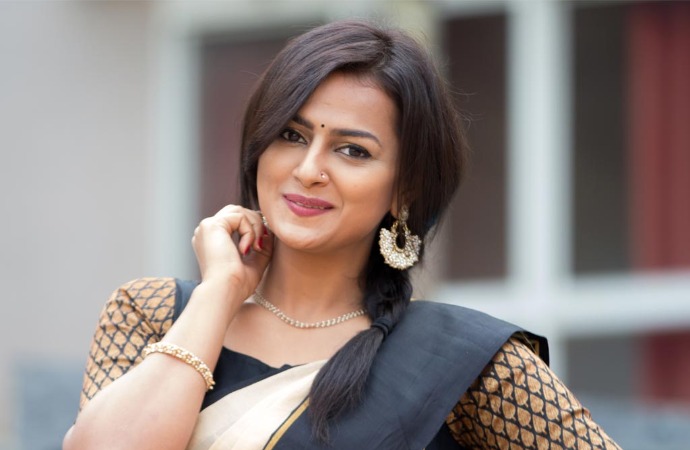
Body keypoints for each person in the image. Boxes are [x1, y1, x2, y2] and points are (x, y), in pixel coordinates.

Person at [63, 19, 621, 450]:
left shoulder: (461, 362)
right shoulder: (151, 313)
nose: (309, 169)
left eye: (353, 150)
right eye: (290, 135)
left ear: (405, 189)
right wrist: (220, 293)